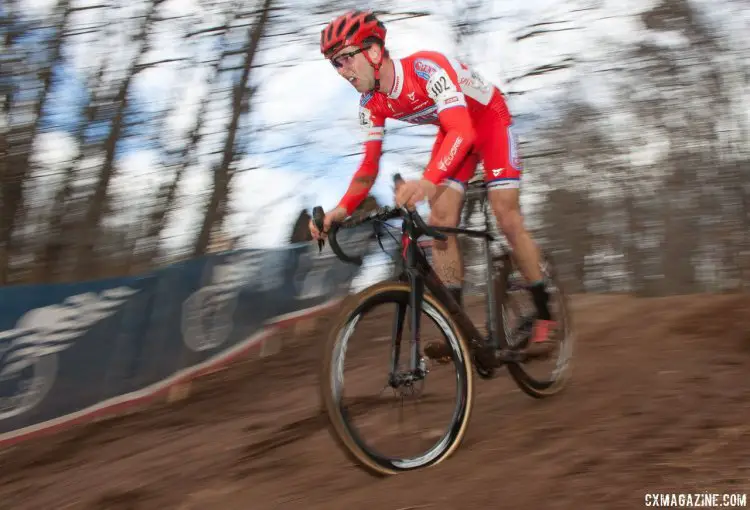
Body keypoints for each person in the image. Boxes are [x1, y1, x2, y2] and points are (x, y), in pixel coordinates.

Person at [309, 10, 555, 358]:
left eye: (346, 59)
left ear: (375, 52)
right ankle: (459, 332)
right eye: (335, 64)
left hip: (488, 122)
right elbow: (368, 165)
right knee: (440, 220)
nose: (343, 72)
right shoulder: (369, 102)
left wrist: (426, 182)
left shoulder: (428, 69)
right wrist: (340, 210)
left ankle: (546, 313)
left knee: (507, 216)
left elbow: (465, 130)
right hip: (454, 131)